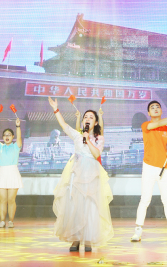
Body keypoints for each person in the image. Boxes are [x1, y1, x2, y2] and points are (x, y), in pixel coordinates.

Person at [48, 97, 113, 252]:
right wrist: (56, 109)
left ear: (95, 123)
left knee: (90, 205)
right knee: (75, 205)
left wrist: (87, 139)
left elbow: (96, 153)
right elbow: (63, 125)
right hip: (76, 172)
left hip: (92, 172)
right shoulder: (77, 135)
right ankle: (75, 238)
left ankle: (89, 238)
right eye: (85, 117)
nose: (87, 119)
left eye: (91, 117)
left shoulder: (99, 138)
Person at [131, 101, 167, 242]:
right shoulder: (146, 125)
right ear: (149, 113)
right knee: (145, 199)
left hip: (164, 168)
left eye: (158, 107)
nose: (155, 109)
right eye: (152, 108)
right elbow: (158, 124)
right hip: (149, 167)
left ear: (161, 110)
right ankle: (138, 230)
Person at [0, 117, 23, 228]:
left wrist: (18, 126)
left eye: (9, 135)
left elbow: (19, 138)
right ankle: (2, 221)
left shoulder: (16, 147)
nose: (7, 136)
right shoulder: (0, 147)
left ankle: (10, 221)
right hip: (2, 173)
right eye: (5, 135)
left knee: (11, 199)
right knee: (3, 199)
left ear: (12, 136)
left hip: (13, 173)